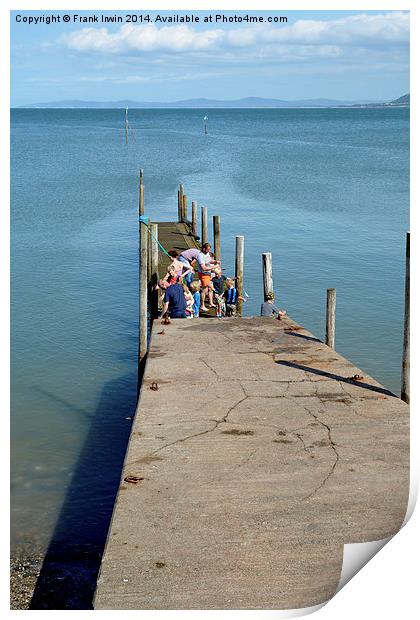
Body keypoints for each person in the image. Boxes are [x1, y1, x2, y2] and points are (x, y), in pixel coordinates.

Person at [196, 243, 219, 311]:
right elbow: (203, 268)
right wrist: (214, 267)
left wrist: (215, 261)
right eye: (208, 249)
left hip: (208, 274)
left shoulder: (207, 254)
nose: (209, 251)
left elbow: (209, 261)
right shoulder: (200, 256)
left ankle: (210, 303)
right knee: (204, 290)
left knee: (210, 288)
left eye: (209, 250)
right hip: (203, 274)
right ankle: (202, 305)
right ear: (204, 249)